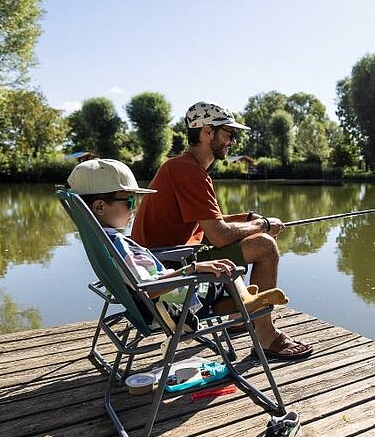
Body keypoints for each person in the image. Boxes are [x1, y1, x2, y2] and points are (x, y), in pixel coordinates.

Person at [132, 101, 312, 360]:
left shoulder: (179, 166)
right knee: (263, 245)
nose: (233, 141)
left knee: (247, 238)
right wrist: (263, 225)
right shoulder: (189, 172)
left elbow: (207, 221)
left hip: (164, 261)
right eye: (229, 133)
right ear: (207, 132)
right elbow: (219, 234)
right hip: (169, 271)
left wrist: (249, 218)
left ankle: (239, 317)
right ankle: (265, 336)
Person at [66, 158, 242, 330]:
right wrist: (193, 269)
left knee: (222, 279)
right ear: (100, 207)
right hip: (175, 303)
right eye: (130, 202)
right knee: (229, 273)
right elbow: (149, 289)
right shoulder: (119, 245)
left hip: (158, 300)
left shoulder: (102, 241)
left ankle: (246, 303)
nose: (134, 208)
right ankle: (248, 306)